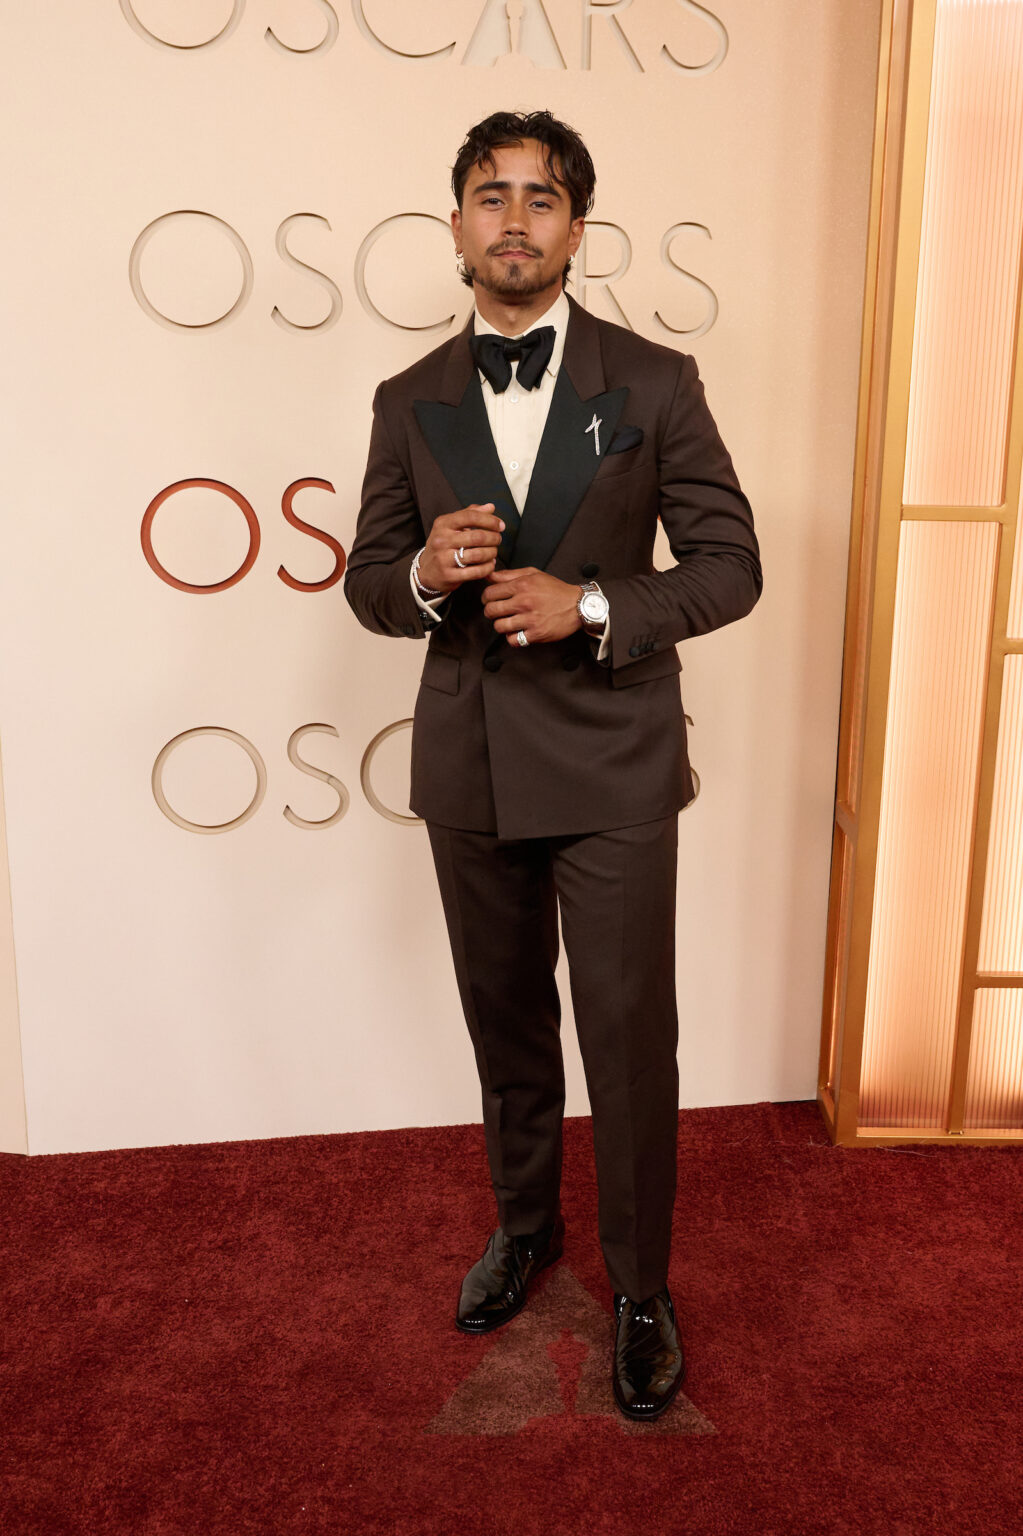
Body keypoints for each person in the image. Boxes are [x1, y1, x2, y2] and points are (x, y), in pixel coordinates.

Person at [344, 109, 762, 1420]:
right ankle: (526, 1230)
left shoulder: (654, 379)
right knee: (507, 1023)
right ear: (456, 224)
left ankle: (640, 1284)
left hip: (615, 757)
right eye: (489, 195)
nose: (513, 218)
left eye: (540, 197)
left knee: (631, 1036)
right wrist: (422, 575)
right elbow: (367, 583)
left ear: (577, 228)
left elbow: (730, 565)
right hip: (470, 764)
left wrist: (589, 608)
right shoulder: (404, 398)